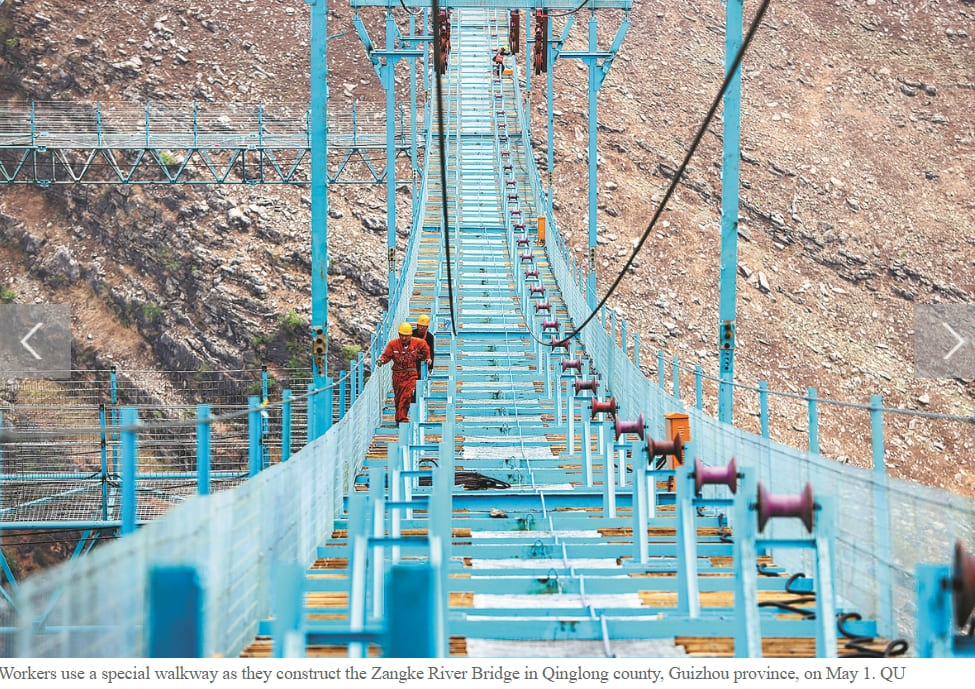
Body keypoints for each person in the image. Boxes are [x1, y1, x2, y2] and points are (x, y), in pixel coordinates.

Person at [376, 322, 432, 424]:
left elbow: (426, 348)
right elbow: (386, 355)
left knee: (407, 395)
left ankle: (402, 419)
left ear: (411, 335)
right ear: (398, 334)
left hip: (411, 374)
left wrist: (427, 358)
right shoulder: (392, 344)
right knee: (398, 398)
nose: (404, 338)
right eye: (402, 335)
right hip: (397, 375)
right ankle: (399, 419)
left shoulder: (418, 342)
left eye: (406, 336)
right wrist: (382, 360)